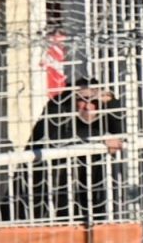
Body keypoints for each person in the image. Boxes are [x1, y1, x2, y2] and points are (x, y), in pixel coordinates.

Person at [18, 77, 124, 222]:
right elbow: (55, 139)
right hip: (43, 190)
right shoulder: (57, 107)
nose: (88, 107)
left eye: (94, 101)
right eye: (82, 100)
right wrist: (100, 138)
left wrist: (111, 102)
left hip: (87, 186)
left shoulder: (103, 112)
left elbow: (123, 132)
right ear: (72, 99)